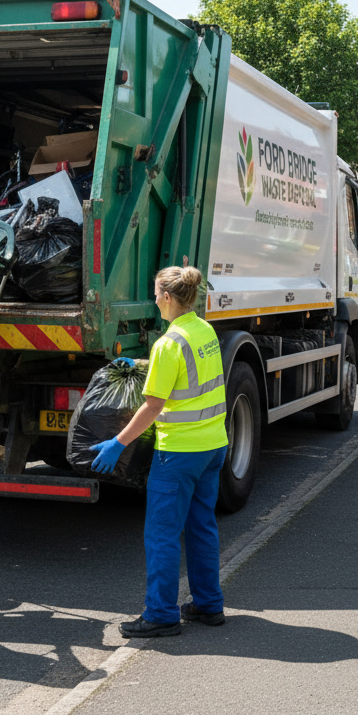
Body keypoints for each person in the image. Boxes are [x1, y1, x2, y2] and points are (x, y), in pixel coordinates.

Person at [91, 266, 229, 638]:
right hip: (213, 446)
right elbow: (188, 375)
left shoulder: (168, 343)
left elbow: (153, 405)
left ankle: (161, 614)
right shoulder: (204, 331)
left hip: (179, 454)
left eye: (156, 293)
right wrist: (139, 366)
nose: (154, 299)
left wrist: (117, 442)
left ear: (167, 297)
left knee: (162, 535)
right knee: (202, 527)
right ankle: (208, 604)